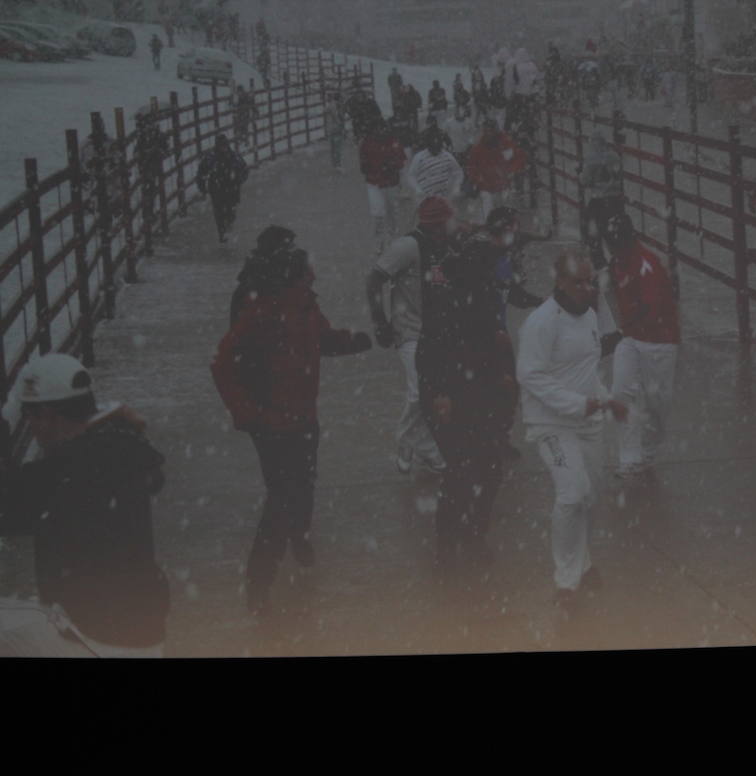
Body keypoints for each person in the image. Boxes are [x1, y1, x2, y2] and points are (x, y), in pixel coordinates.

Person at [210, 236, 372, 613]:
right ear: (292, 279)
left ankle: (298, 537)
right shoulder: (261, 313)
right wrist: (249, 414)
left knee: (304, 482)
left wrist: (352, 342)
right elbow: (223, 363)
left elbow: (322, 339)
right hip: (272, 423)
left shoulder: (304, 306)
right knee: (281, 497)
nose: (314, 280)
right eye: (308, 276)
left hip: (303, 417)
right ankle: (260, 580)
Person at [0, 353, 170, 657]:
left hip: (93, 636)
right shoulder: (119, 447)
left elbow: (10, 508)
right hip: (142, 630)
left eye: (30, 415)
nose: (30, 425)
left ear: (48, 415)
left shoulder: (68, 471)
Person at [516, 250, 626, 608]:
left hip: (590, 422)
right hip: (550, 424)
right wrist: (575, 405)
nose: (587, 288)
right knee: (572, 493)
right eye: (578, 282)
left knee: (591, 497)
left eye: (590, 280)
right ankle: (566, 580)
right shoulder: (541, 322)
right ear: (560, 282)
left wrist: (606, 399)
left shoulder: (592, 316)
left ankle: (584, 561)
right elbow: (529, 374)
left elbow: (587, 371)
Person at [417, 226, 518, 572]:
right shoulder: (444, 299)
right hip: (451, 394)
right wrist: (439, 394)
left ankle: (474, 533)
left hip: (482, 390)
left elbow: (495, 339)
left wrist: (504, 375)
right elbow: (430, 351)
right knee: (460, 470)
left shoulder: (485, 294)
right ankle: (448, 540)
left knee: (489, 469)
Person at [366, 198, 452, 476]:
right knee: (420, 392)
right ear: (435, 224)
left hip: (437, 333)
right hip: (410, 330)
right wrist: (381, 321)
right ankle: (426, 449)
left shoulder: (448, 246)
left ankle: (408, 441)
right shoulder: (407, 247)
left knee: (432, 391)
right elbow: (374, 279)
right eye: (446, 222)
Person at [603, 213, 678, 480]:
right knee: (620, 393)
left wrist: (620, 331)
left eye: (616, 243)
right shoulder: (616, 262)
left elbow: (651, 308)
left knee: (658, 403)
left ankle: (648, 451)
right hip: (631, 340)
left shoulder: (648, 265)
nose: (613, 249)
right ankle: (629, 458)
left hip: (659, 341)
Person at [358, 116, 408, 252]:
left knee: (393, 212)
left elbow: (401, 162)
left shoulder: (394, 141)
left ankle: (394, 238)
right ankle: (379, 241)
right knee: (378, 213)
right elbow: (363, 166)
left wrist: (393, 168)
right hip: (374, 183)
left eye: (383, 128)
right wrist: (373, 168)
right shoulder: (366, 143)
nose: (381, 131)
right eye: (378, 129)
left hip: (391, 183)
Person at [466, 118, 527, 222]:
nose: (488, 133)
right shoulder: (478, 148)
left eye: (491, 130)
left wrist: (511, 170)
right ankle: (489, 228)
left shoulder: (506, 144)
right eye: (486, 130)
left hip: (503, 186)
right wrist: (477, 179)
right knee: (488, 210)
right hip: (486, 187)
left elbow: (519, 157)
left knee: (505, 213)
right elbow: (472, 167)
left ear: (496, 131)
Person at [579, 132, 623, 269]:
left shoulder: (592, 158)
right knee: (613, 231)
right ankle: (619, 259)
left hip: (599, 199)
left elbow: (585, 180)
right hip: (616, 199)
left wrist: (581, 173)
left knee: (590, 227)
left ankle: (599, 262)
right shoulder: (615, 156)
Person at [195, 134, 249, 243]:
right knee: (219, 213)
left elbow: (244, 169)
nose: (223, 148)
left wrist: (239, 179)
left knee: (230, 213)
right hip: (218, 190)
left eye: (225, 145)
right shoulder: (212, 158)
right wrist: (202, 187)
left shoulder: (233, 156)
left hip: (231, 188)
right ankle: (222, 233)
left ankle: (227, 227)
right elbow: (201, 172)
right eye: (221, 145)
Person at [133, 111, 170, 240]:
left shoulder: (148, 135)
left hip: (150, 167)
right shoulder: (148, 135)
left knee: (150, 191)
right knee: (150, 191)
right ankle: (149, 217)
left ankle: (149, 217)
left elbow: (165, 150)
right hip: (150, 167)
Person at [406, 125, 462, 202]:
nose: (435, 151)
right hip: (424, 198)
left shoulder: (448, 156)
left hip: (444, 199)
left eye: (438, 148)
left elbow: (458, 172)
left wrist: (456, 187)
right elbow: (411, 175)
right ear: (428, 146)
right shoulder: (419, 158)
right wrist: (417, 189)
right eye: (433, 148)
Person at [323, 91, 347, 171]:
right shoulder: (336, 106)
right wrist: (342, 127)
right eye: (342, 98)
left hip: (331, 128)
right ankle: (338, 164)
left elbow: (326, 111)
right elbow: (338, 118)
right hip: (336, 129)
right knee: (337, 147)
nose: (343, 100)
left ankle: (335, 163)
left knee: (333, 147)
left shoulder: (331, 105)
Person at [233, 85, 257, 149]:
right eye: (238, 93)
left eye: (240, 92)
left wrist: (255, 111)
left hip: (245, 115)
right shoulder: (239, 98)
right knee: (240, 128)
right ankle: (242, 140)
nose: (239, 94)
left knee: (244, 127)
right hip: (240, 115)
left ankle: (245, 141)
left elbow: (251, 103)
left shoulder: (245, 97)